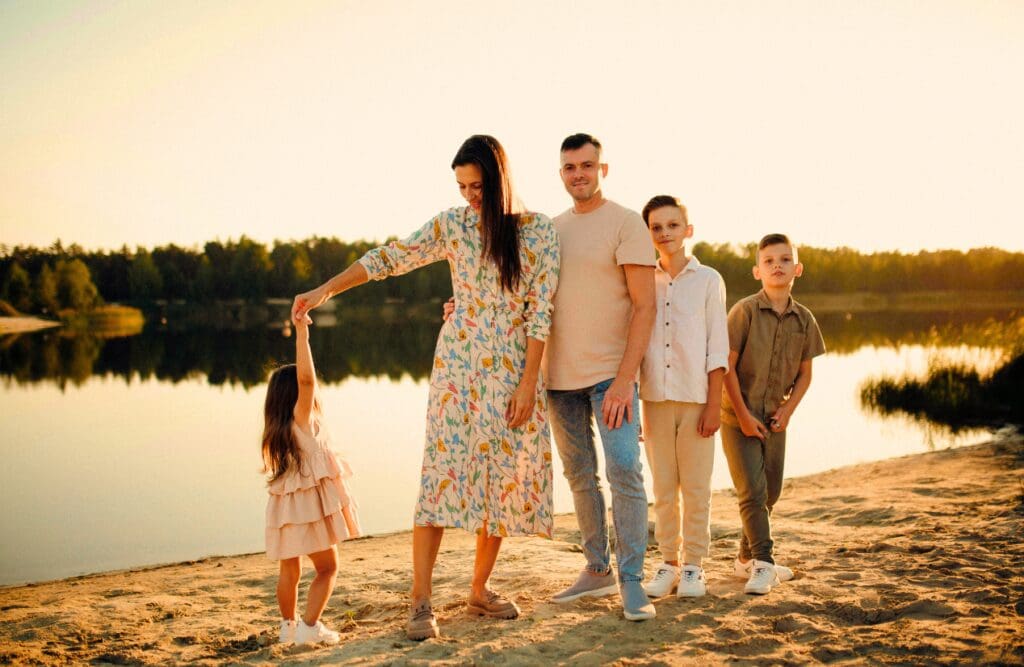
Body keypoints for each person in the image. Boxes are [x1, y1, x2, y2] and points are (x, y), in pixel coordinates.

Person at [292, 135, 560, 641]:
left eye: (477, 186)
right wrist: (326, 288)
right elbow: (390, 257)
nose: (469, 197)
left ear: (500, 179)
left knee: (500, 480)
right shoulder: (452, 225)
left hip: (511, 371)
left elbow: (540, 311)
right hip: (457, 368)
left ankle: (479, 590)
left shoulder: (538, 232)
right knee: (440, 478)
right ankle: (420, 600)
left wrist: (529, 382)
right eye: (461, 186)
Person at [546, 134, 657, 621]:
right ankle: (596, 569)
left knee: (625, 470)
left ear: (602, 169)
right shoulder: (549, 230)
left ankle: (631, 578)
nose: (578, 174)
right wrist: (460, 307)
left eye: (587, 165)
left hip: (610, 378)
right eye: (570, 167)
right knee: (579, 476)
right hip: (557, 379)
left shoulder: (627, 223)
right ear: (562, 173)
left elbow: (645, 305)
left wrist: (623, 379)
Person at [721, 233, 826, 595]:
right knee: (751, 491)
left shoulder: (805, 319)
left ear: (797, 268)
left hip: (774, 419)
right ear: (757, 271)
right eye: (769, 261)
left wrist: (788, 410)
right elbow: (726, 368)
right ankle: (764, 562)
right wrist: (744, 416)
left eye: (784, 260)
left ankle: (745, 559)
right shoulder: (744, 311)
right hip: (737, 417)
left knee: (771, 493)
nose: (777, 266)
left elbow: (805, 373)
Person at [637, 195, 728, 599]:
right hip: (654, 399)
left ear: (687, 230)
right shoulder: (643, 280)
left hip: (696, 400)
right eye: (656, 227)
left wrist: (714, 405)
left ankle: (694, 566)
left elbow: (717, 348)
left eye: (672, 226)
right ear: (648, 234)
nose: (665, 234)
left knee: (695, 487)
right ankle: (668, 563)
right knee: (663, 487)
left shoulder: (709, 280)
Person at [262, 310, 362, 645]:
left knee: (289, 571)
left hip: (285, 514)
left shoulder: (278, 433)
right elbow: (307, 380)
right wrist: (301, 333)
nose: (312, 391)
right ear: (295, 398)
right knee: (327, 568)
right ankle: (309, 627)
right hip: (308, 513)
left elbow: (304, 383)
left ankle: (287, 629)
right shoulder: (302, 421)